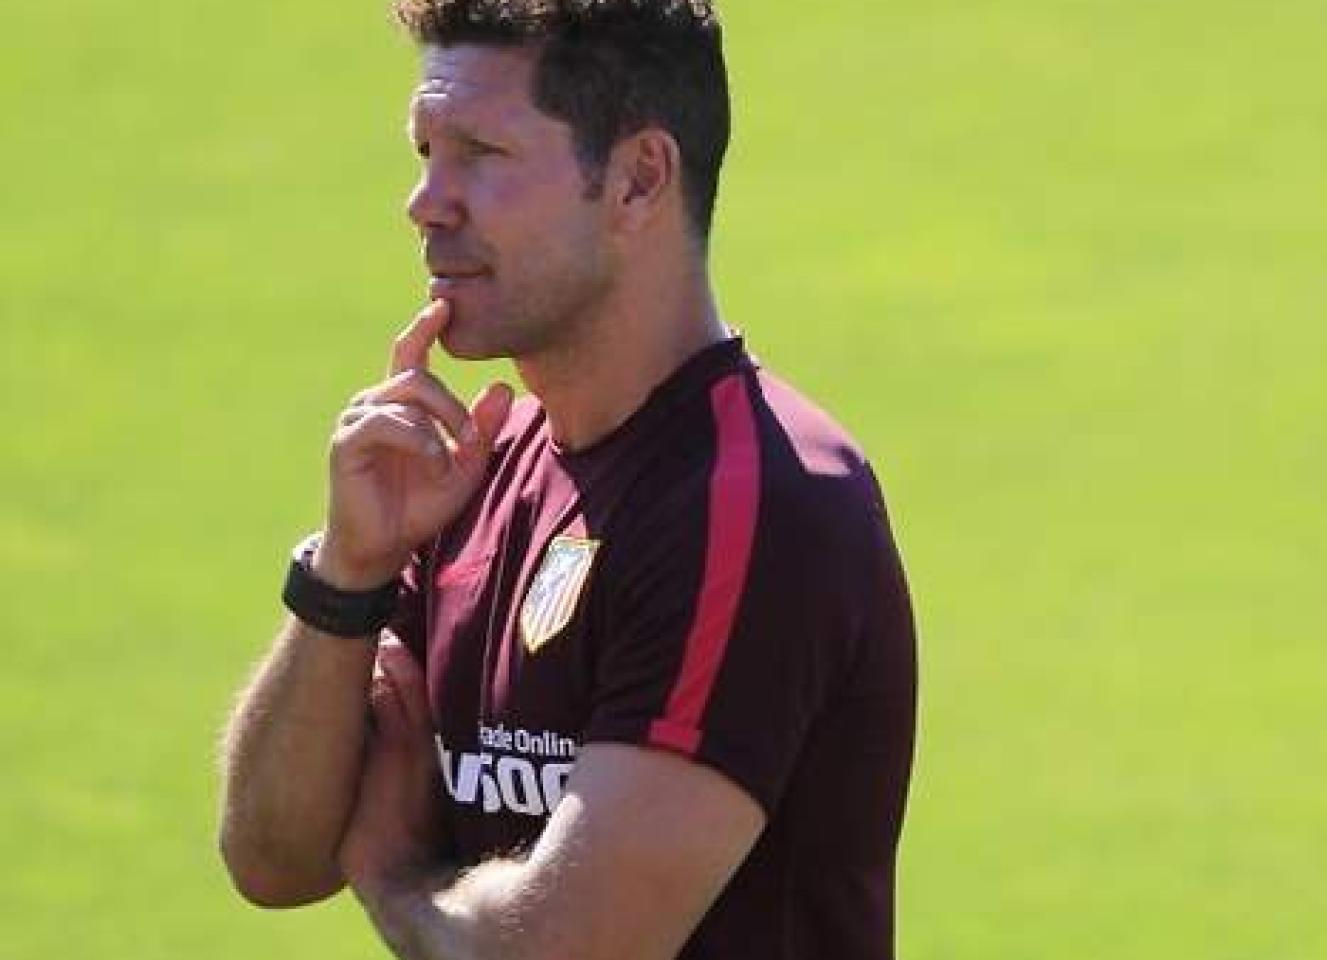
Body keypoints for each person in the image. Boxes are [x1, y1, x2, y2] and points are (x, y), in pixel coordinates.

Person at [215, 2, 917, 958]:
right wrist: (346, 575)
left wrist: (392, 882)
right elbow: (272, 858)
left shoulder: (757, 500)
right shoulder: (473, 477)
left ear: (637, 179)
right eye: (424, 150)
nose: (426, 200)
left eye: (479, 153)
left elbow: (569, 949)